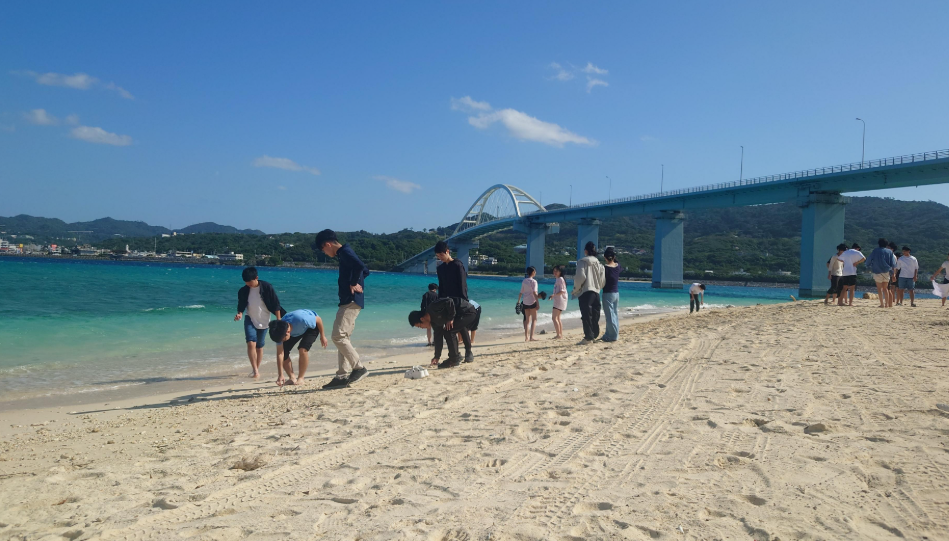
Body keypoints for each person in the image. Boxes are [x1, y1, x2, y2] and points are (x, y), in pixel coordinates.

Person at [314, 229, 370, 389]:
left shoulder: (344, 252)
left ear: (327, 244)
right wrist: (357, 281)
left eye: (323, 250)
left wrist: (353, 283)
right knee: (343, 339)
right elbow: (365, 271)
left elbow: (360, 266)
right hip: (350, 301)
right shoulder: (344, 253)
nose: (325, 253)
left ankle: (359, 368)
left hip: (350, 301)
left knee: (338, 336)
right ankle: (341, 375)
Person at [234, 267, 285, 380]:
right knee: (251, 342)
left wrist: (278, 320)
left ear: (256, 278)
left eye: (250, 282)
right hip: (250, 318)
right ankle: (255, 371)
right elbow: (241, 304)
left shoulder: (267, 287)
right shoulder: (243, 290)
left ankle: (256, 368)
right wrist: (240, 313)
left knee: (259, 346)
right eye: (246, 282)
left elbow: (276, 304)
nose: (248, 284)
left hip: (264, 319)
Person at [408, 296, 479, 368]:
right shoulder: (434, 323)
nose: (422, 328)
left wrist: (451, 318)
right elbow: (438, 339)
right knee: (451, 328)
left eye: (420, 326)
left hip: (467, 311)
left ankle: (454, 359)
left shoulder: (432, 307)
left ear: (422, 319)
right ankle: (457, 356)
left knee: (449, 331)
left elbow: (449, 301)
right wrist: (437, 356)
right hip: (459, 315)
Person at [267, 309, 327, 386]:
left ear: (287, 332)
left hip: (311, 327)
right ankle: (292, 378)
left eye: (282, 339)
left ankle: (301, 378)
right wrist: (280, 375)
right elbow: (280, 354)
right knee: (284, 352)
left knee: (302, 349)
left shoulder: (302, 319)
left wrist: (322, 336)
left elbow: (318, 320)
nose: (281, 341)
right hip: (298, 330)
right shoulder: (279, 330)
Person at [573, 241, 605, 344]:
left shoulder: (582, 262)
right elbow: (603, 280)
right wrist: (598, 287)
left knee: (586, 315)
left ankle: (588, 337)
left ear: (585, 251)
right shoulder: (599, 264)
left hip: (586, 291)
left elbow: (580, 277)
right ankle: (594, 334)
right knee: (595, 315)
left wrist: (576, 289)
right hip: (596, 292)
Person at [868, 238, 897, 308]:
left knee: (879, 289)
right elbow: (893, 263)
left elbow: (869, 260)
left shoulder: (875, 250)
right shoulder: (889, 252)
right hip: (886, 272)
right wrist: (893, 274)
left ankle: (882, 304)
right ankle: (886, 304)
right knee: (885, 288)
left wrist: (868, 265)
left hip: (877, 271)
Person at [601, 247, 622, 342]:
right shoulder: (618, 266)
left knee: (609, 316)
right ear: (614, 257)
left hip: (607, 293)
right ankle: (608, 334)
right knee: (614, 314)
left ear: (605, 257)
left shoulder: (605, 268)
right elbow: (617, 263)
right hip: (616, 293)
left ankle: (613, 336)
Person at [518, 266, 541, 342]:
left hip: (525, 302)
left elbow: (521, 292)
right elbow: (534, 292)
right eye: (535, 272)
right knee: (534, 319)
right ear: (533, 272)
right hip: (532, 301)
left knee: (527, 320)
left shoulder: (524, 281)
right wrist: (537, 303)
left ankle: (526, 337)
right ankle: (531, 337)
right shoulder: (534, 282)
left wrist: (518, 301)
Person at [551, 265, 568, 339]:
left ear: (560, 272)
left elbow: (562, 291)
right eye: (554, 271)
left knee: (554, 318)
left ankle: (558, 335)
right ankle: (560, 334)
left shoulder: (560, 279)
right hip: (560, 300)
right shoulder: (559, 279)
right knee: (558, 318)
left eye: (556, 271)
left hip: (559, 300)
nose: (555, 272)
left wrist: (554, 295)